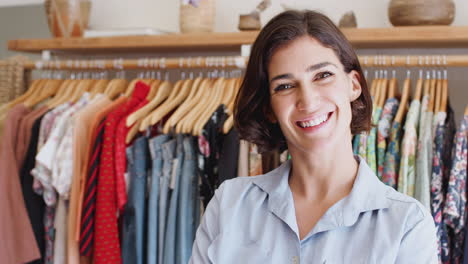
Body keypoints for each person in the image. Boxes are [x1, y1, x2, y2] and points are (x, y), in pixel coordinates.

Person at [189, 10, 438, 263]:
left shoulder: (407, 224)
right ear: (269, 108)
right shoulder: (229, 205)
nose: (307, 101)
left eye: (322, 75)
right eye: (285, 86)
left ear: (354, 85)